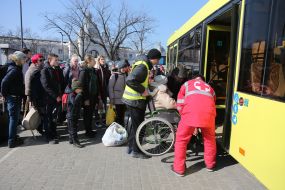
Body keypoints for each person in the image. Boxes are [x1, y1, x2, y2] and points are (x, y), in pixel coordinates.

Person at [171, 74, 217, 177]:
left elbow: (180, 104)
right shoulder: (210, 88)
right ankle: (210, 165)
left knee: (181, 140)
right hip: (209, 116)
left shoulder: (186, 84)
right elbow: (211, 104)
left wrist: (188, 121)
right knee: (210, 139)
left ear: (194, 78)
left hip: (190, 115)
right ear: (203, 81)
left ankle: (179, 169)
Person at [122, 49, 161, 159]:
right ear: (154, 59)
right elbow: (130, 80)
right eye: (157, 60)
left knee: (134, 126)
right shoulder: (143, 66)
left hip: (132, 100)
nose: (157, 62)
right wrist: (142, 90)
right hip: (135, 101)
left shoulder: (142, 64)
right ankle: (136, 151)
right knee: (139, 127)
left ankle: (131, 147)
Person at [1, 51, 26, 148]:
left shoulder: (15, 68)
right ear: (19, 60)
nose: (25, 61)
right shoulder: (15, 70)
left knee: (13, 119)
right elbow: (4, 82)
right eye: (23, 59)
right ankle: (11, 141)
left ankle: (13, 138)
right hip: (13, 98)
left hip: (14, 97)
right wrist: (5, 95)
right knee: (13, 119)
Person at [41, 53, 65, 144]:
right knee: (48, 118)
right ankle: (49, 137)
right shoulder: (45, 70)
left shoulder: (58, 69)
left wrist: (62, 94)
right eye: (55, 60)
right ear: (50, 60)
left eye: (58, 60)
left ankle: (54, 134)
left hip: (58, 98)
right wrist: (56, 96)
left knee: (54, 117)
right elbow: (46, 86)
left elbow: (62, 83)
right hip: (49, 98)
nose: (57, 62)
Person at [25, 53, 45, 135]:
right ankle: (39, 128)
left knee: (41, 113)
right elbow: (27, 84)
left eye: (43, 60)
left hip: (41, 95)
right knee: (37, 113)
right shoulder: (31, 71)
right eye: (40, 60)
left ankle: (40, 128)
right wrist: (28, 96)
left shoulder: (40, 69)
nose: (42, 61)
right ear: (35, 62)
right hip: (35, 96)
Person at [79, 54, 99, 138]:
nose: (95, 61)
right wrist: (85, 99)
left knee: (91, 114)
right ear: (89, 61)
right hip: (88, 97)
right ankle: (87, 131)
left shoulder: (93, 70)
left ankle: (90, 130)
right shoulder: (84, 71)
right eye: (94, 60)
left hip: (93, 96)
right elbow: (82, 86)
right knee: (87, 114)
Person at [108, 60, 129, 126]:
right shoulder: (114, 75)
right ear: (119, 68)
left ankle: (121, 128)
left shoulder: (125, 75)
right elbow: (110, 87)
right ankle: (117, 128)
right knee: (118, 116)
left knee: (122, 115)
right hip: (116, 99)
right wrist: (112, 99)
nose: (123, 69)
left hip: (124, 99)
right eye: (122, 68)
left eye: (124, 67)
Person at [66, 79, 84, 148]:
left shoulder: (75, 93)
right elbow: (74, 103)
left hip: (75, 114)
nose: (81, 90)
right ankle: (75, 142)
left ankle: (71, 139)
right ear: (75, 89)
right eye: (80, 89)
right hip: (71, 115)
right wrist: (79, 95)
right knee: (73, 129)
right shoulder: (71, 94)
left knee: (73, 128)